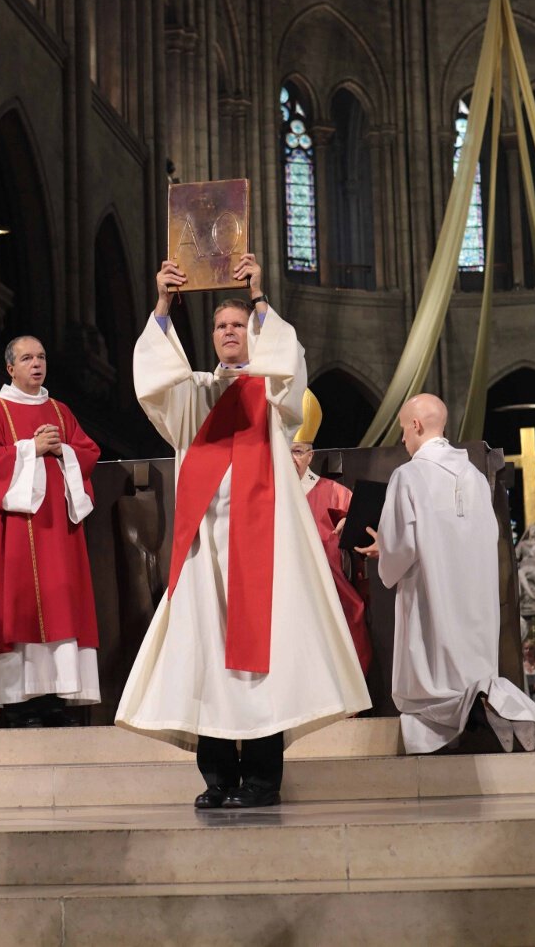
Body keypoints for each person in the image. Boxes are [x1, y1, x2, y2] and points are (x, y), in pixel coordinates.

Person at [116, 255, 371, 809]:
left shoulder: (274, 399)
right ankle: (217, 779)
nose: (230, 332)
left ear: (252, 335)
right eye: (221, 326)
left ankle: (260, 779)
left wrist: (258, 296)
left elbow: (289, 364)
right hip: (205, 551)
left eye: (239, 326)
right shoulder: (194, 395)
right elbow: (155, 381)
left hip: (263, 552)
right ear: (209, 337)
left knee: (263, 662)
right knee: (206, 654)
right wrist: (162, 304)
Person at [357, 393, 535, 754]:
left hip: (432, 597)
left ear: (415, 425)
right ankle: (486, 710)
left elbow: (401, 547)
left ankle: (444, 734)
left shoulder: (409, 475)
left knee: (431, 676)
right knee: (471, 671)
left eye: (403, 430)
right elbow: (488, 535)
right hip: (475, 600)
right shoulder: (476, 476)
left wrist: (383, 550)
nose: (403, 439)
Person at [0, 335, 101, 716]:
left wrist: (63, 451)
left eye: (41, 356)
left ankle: (62, 696)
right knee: (19, 605)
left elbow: (88, 452)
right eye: (27, 358)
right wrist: (30, 450)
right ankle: (19, 701)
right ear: (10, 368)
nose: (36, 363)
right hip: (15, 535)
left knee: (62, 601)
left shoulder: (61, 411)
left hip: (59, 534)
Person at [290, 389, 372, 675]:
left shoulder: (334, 493)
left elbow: (369, 536)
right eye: (284, 450)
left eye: (297, 451)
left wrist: (354, 529)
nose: (291, 458)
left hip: (330, 595)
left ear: (310, 455)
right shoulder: (264, 497)